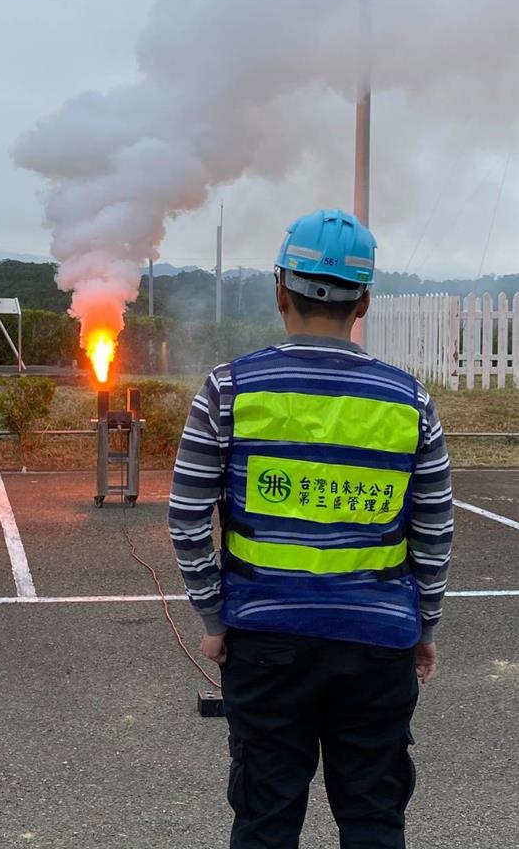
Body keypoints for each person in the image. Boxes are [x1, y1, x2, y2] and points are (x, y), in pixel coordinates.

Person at [168, 209, 452, 849]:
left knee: (266, 820)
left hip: (264, 640)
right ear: (365, 302)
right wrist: (422, 628)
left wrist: (214, 620)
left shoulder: (230, 388)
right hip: (379, 644)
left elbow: (186, 517)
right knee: (374, 819)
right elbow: (435, 533)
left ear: (279, 289)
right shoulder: (410, 401)